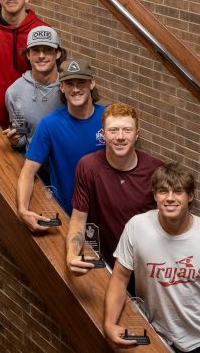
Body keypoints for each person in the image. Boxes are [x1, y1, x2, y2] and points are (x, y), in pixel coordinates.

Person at [104, 163, 200, 353]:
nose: (170, 198)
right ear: (155, 195)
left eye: (178, 191)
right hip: (154, 333)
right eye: (163, 191)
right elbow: (120, 278)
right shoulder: (137, 227)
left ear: (190, 196)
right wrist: (109, 324)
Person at [66, 103, 162, 274]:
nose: (120, 137)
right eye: (113, 130)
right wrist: (72, 254)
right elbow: (78, 219)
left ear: (136, 135)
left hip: (145, 266)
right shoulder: (88, 166)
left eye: (127, 130)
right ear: (103, 135)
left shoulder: (155, 170)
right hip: (105, 264)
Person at [16, 59, 105, 228]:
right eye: (69, 84)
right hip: (68, 217)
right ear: (62, 87)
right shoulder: (49, 125)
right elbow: (27, 172)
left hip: (105, 215)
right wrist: (22, 209)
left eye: (81, 83)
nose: (76, 89)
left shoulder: (108, 119)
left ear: (92, 83)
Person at [2, 26, 65, 153]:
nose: (41, 56)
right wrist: (15, 140)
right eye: (35, 50)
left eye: (48, 50)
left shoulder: (71, 87)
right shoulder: (14, 92)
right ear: (28, 54)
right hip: (36, 166)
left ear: (57, 53)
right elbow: (22, 137)